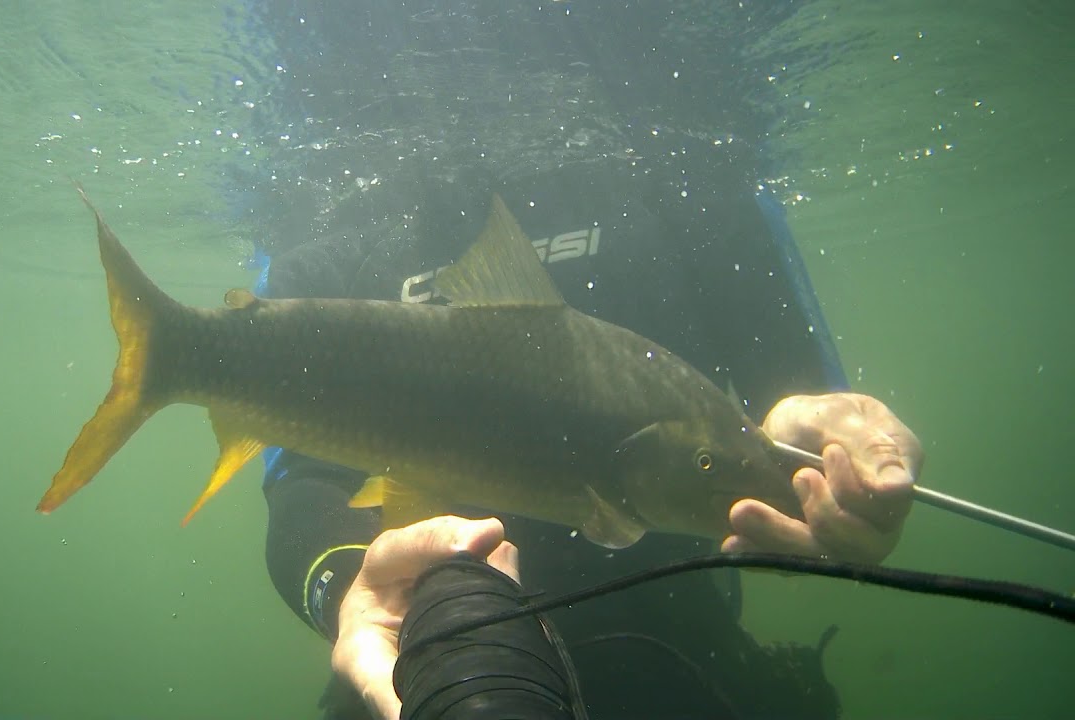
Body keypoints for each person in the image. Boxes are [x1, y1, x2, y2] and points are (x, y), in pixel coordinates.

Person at [236, 2, 924, 718]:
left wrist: (834, 469)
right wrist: (348, 593)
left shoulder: (698, 193)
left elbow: (785, 413)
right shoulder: (333, 241)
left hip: (675, 636)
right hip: (429, 645)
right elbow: (300, 483)